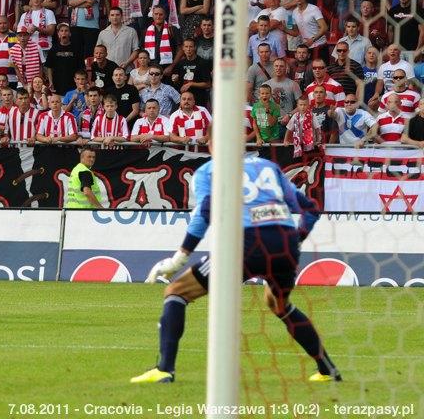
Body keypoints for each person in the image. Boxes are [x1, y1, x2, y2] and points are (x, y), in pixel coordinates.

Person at [133, 153, 341, 384]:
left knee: (177, 291)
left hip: (247, 244)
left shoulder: (212, 169)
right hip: (285, 244)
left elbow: (205, 212)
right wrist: (295, 240)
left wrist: (180, 257)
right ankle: (327, 370)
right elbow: (311, 209)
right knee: (279, 305)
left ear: (213, 143)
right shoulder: (268, 166)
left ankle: (164, 370)